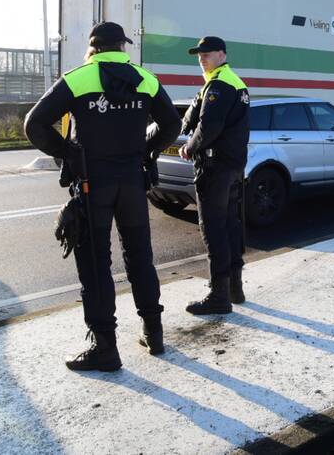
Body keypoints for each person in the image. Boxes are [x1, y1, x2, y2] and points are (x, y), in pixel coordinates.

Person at [24, 21, 181, 371]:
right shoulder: (145, 79)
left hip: (92, 184)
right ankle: (153, 334)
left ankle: (105, 348)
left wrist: (69, 153)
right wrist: (146, 150)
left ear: (92, 47)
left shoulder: (77, 79)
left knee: (96, 265)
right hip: (133, 183)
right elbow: (173, 124)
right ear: (123, 47)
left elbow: (33, 124)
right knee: (140, 258)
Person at [180, 36, 251, 315]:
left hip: (215, 168)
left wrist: (189, 147)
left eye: (207, 54)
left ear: (222, 54)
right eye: (199, 56)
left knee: (214, 229)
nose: (202, 59)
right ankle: (235, 288)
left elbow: (209, 126)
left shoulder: (219, 85)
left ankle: (219, 296)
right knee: (231, 226)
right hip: (233, 166)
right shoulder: (234, 81)